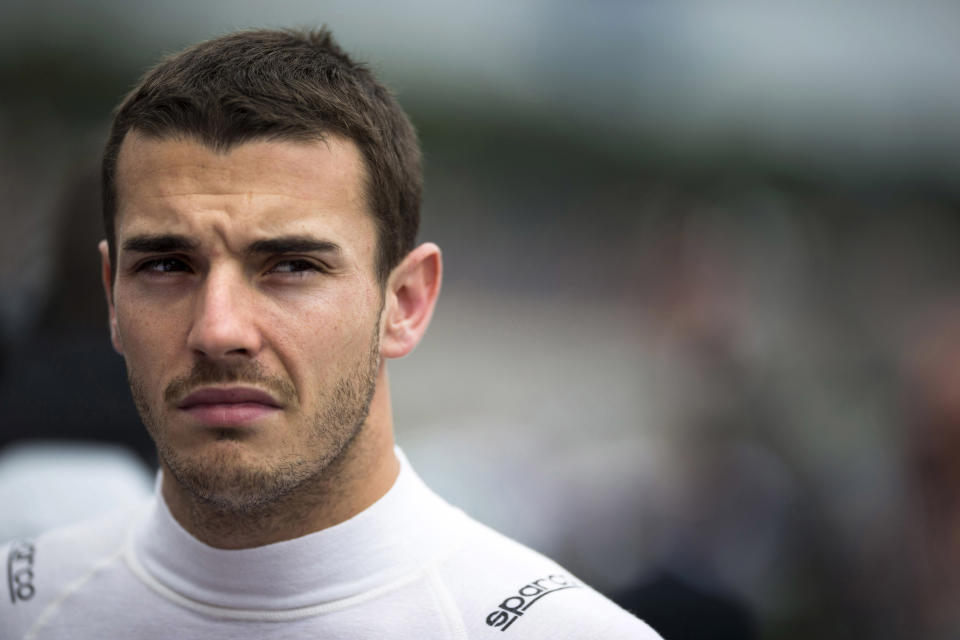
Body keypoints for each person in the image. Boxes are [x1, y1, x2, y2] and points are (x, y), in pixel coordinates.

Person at [1, 28, 661, 639]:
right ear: (113, 294)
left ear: (405, 302)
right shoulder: (24, 604)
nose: (219, 329)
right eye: (168, 266)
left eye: (291, 267)